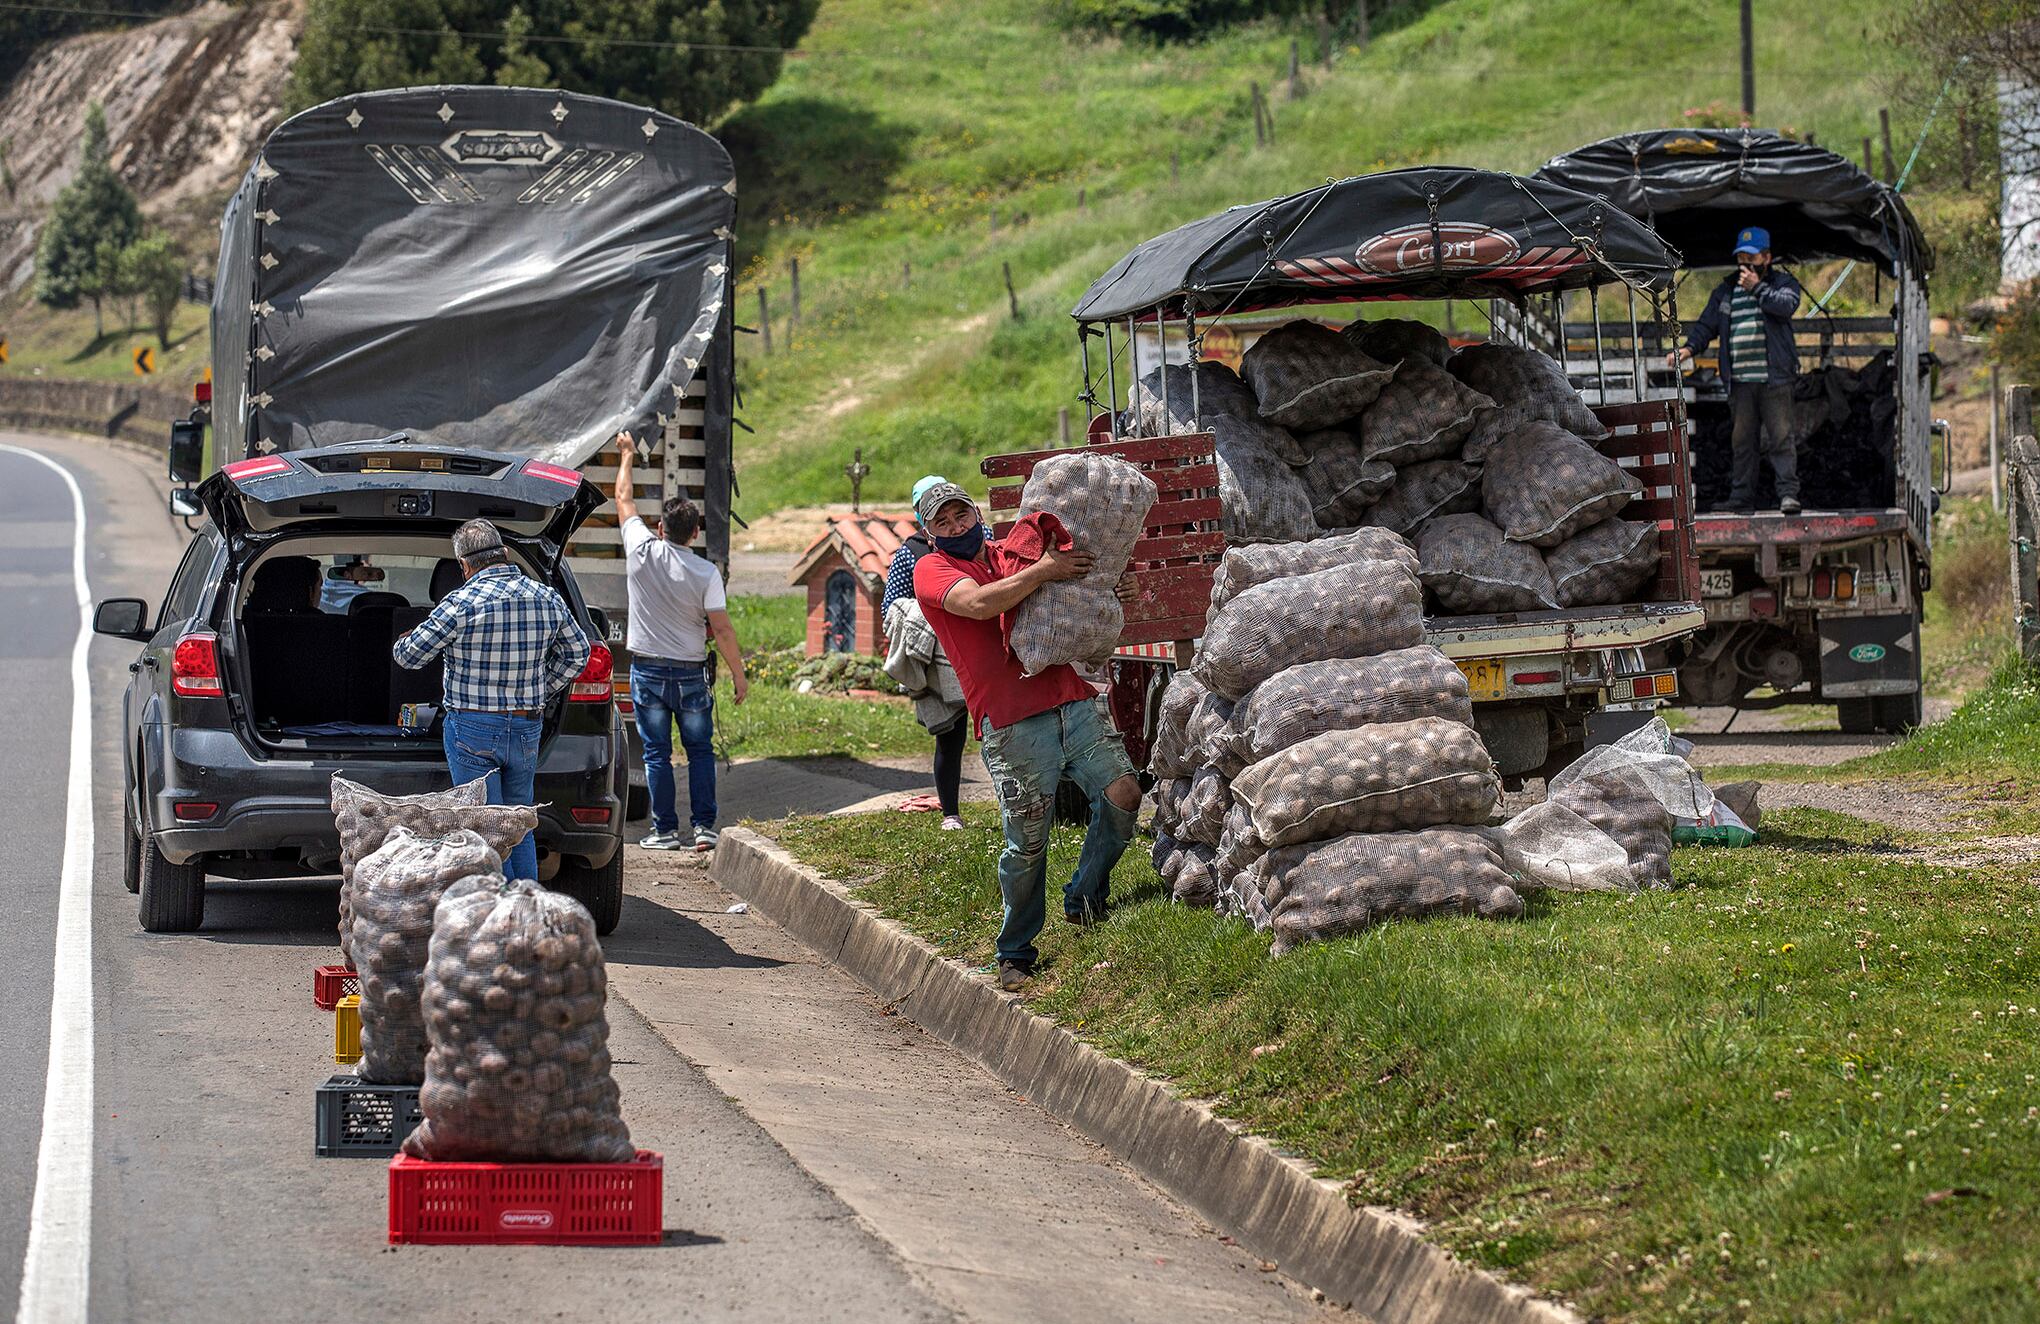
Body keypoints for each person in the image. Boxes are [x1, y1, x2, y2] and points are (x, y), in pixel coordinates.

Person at [911, 480, 1143, 993]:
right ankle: (1015, 951)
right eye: (942, 522)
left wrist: (1114, 587)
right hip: (1012, 721)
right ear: (929, 533)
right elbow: (977, 605)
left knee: (1125, 793)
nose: (955, 527)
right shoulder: (933, 569)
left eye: (961, 515)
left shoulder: (1011, 550)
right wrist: (1045, 570)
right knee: (1028, 844)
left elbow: (1072, 591)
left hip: (1070, 697)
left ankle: (1085, 893)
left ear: (975, 514)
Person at [393, 518, 590, 880]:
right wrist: (540, 690)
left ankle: (495, 914)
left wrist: (409, 635)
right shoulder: (546, 597)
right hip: (527, 725)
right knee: (517, 820)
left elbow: (408, 656)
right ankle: (524, 911)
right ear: (503, 552)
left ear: (465, 566)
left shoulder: (461, 603)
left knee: (484, 826)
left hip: (472, 728)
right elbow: (580, 654)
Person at [614, 433, 748, 853]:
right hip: (691, 673)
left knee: (657, 755)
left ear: (660, 529)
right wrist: (739, 675)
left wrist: (627, 455)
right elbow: (722, 630)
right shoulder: (706, 574)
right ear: (695, 533)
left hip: (647, 671)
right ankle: (705, 829)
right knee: (700, 752)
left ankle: (665, 831)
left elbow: (622, 499)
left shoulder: (639, 551)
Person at [1667, 225, 1806, 516]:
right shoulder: (1726, 290)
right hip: (1740, 382)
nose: (1745, 263)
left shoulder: (1782, 284)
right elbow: (1708, 324)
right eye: (1741, 257)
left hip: (1775, 378)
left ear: (1766, 258)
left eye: (1751, 257)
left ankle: (1788, 495)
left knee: (1781, 437)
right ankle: (1742, 499)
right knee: (1742, 441)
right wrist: (1689, 348)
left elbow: (1787, 306)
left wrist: (1757, 287)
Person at [881, 475, 975, 831]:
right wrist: (927, 616)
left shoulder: (980, 541)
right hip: (940, 660)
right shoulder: (910, 555)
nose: (952, 525)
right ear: (923, 519)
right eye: (936, 515)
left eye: (958, 514)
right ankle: (951, 813)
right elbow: (891, 607)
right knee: (950, 737)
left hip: (978, 650)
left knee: (1000, 736)